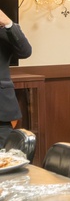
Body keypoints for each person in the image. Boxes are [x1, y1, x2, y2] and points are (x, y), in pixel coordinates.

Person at [0, 8, 31, 143]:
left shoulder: (4, 30)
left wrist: (8, 23)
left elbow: (25, 51)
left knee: (4, 159)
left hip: (1, 112)